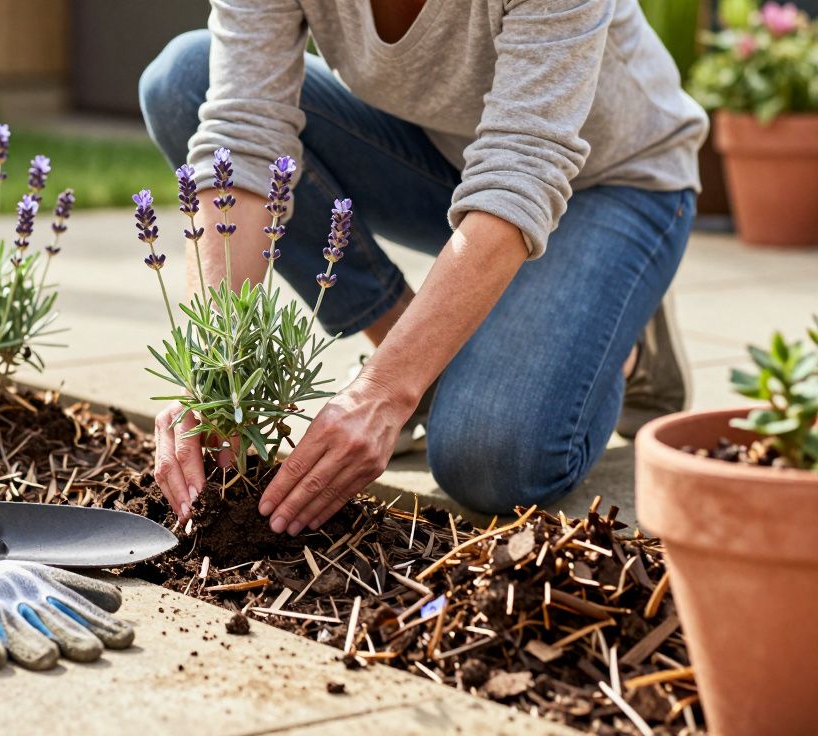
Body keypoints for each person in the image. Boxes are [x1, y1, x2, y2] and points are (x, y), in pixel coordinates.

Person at [138, 0, 707, 534]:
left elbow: (521, 170)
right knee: (185, 80)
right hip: (451, 161)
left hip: (616, 180)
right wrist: (212, 376)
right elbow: (242, 138)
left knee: (489, 459)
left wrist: (384, 392)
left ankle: (621, 328)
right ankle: (430, 341)